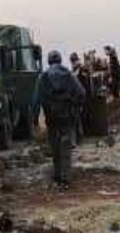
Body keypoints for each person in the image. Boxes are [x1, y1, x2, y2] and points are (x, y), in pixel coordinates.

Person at [32, 50, 85, 190]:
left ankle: (57, 176)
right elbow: (81, 93)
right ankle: (65, 180)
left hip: (52, 119)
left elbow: (36, 101)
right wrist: (75, 106)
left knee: (55, 147)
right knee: (65, 148)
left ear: (49, 61)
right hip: (67, 117)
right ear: (61, 60)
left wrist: (35, 120)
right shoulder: (69, 75)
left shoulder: (42, 77)